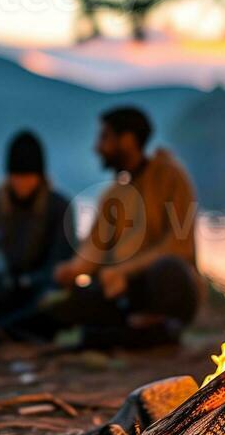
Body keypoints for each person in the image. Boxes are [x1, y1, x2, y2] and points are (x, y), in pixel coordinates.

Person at [47, 106, 202, 348]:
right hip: (127, 293)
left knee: (167, 269)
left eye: (104, 137)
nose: (98, 147)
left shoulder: (171, 177)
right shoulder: (113, 195)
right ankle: (136, 333)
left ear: (128, 140)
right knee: (69, 302)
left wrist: (123, 271)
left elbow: (179, 245)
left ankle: (154, 328)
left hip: (166, 289)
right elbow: (93, 251)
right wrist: (72, 270)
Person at [0, 130, 76, 335]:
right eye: (17, 177)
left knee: (56, 304)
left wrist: (26, 283)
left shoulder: (59, 207)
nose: (22, 185)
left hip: (37, 294)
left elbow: (59, 263)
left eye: (28, 177)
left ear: (40, 176)